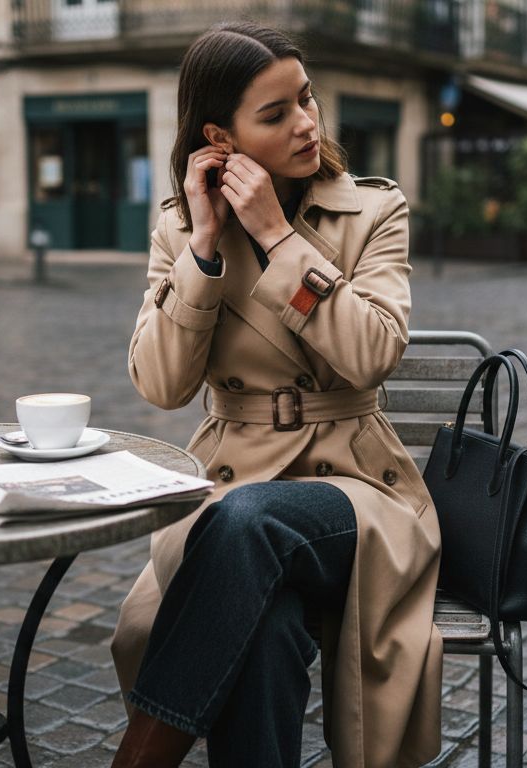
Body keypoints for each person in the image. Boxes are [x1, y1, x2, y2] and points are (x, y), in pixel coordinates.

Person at [110, 22, 441, 768]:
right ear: (219, 138)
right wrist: (203, 247)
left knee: (245, 520)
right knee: (263, 619)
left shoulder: (372, 212)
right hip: (231, 480)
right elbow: (162, 385)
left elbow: (371, 356)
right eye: (277, 113)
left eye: (307, 98)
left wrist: (277, 236)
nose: (307, 123)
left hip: (355, 493)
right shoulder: (179, 227)